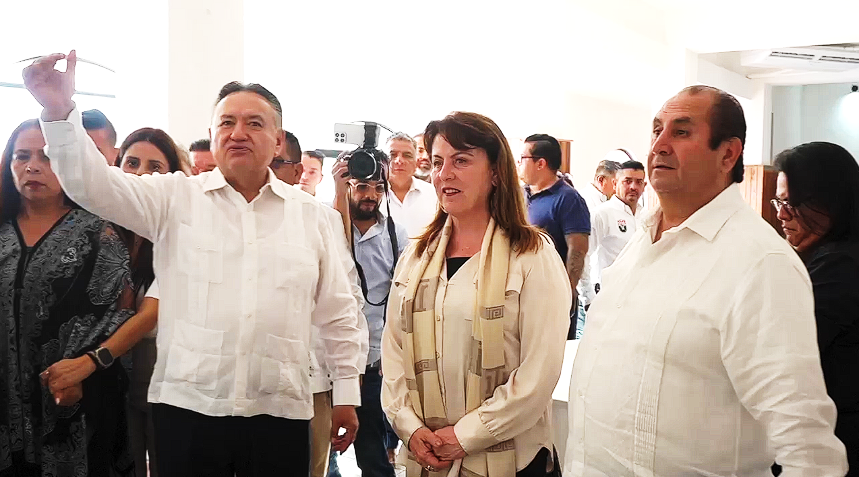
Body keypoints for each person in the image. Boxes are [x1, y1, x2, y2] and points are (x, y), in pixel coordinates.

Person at [25, 51, 364, 476]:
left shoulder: (315, 217)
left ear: (278, 141)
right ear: (212, 133)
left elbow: (338, 311)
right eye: (227, 123)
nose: (238, 133)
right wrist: (57, 111)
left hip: (281, 409)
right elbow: (91, 185)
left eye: (254, 123)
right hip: (187, 410)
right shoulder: (173, 198)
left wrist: (347, 392)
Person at [566, 85, 847, 476]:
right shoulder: (642, 240)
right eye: (656, 130)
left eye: (681, 132)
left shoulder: (760, 262)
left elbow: (807, 446)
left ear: (727, 154)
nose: (659, 145)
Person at [382, 112, 571, 477]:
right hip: (427, 456)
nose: (444, 173)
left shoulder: (532, 255)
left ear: (496, 172)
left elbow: (539, 372)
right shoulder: (416, 256)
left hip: (510, 461)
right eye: (437, 162)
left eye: (461, 161)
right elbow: (393, 352)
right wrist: (410, 427)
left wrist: (467, 435)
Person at [0, 118, 135, 476]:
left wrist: (84, 371)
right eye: (21, 156)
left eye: (46, 157)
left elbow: (119, 314)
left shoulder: (98, 234)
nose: (32, 166)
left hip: (75, 399)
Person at [773, 141, 859, 475]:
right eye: (779, 202)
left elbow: (783, 352)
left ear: (832, 202)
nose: (781, 215)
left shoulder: (839, 265)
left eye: (791, 204)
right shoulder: (831, 256)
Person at [331, 153, 408, 476]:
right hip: (330, 361)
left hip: (376, 361)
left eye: (378, 188)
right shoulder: (328, 222)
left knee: (373, 453)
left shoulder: (395, 234)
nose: (371, 196)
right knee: (322, 451)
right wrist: (336, 190)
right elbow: (333, 247)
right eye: (362, 186)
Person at [519, 133, 590, 339]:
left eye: (523, 158)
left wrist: (565, 295)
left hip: (551, 298)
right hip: (522, 294)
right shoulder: (520, 194)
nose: (519, 163)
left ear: (540, 163)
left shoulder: (568, 199)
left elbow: (577, 250)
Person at [581, 160, 645, 306]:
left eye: (638, 182)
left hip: (638, 297)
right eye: (627, 181)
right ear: (615, 184)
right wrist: (588, 298)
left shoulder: (647, 217)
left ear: (644, 186)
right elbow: (583, 256)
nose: (633, 187)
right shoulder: (602, 215)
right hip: (608, 297)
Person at [385, 132, 438, 237]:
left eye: (407, 155)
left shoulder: (434, 195)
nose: (399, 161)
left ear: (415, 163)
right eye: (392, 155)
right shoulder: (372, 196)